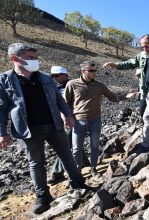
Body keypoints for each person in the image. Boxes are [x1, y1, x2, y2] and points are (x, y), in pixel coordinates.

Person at [0, 43, 87, 214]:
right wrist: (2, 132)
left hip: (54, 124)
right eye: (30, 58)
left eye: (35, 57)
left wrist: (68, 115)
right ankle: (43, 197)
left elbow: (59, 99)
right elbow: (1, 108)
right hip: (28, 130)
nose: (35, 61)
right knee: (36, 163)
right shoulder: (4, 80)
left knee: (66, 155)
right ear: (15, 58)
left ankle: (78, 184)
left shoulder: (45, 78)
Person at [65, 61, 137, 177]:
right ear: (83, 71)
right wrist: (67, 118)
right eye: (91, 71)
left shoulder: (99, 85)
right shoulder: (72, 84)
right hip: (78, 120)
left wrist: (125, 97)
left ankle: (94, 169)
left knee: (94, 146)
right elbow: (66, 103)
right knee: (77, 148)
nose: (95, 73)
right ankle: (77, 172)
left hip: (95, 120)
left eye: (95, 70)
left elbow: (112, 97)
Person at [103, 34, 149, 153]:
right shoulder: (142, 56)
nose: (144, 49)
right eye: (142, 47)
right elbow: (130, 63)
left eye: (147, 46)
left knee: (148, 116)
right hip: (147, 91)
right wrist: (115, 65)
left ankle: (146, 145)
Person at [47, 66, 91, 185]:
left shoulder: (74, 85)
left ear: (65, 75)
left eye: (57, 75)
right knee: (75, 143)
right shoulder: (56, 88)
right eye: (53, 76)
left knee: (65, 146)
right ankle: (85, 163)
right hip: (63, 120)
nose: (54, 78)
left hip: (73, 119)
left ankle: (57, 173)